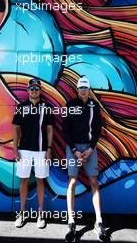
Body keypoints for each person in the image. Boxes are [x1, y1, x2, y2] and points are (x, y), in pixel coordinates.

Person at [63, 76, 106, 242]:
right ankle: (71, 221)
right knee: (72, 182)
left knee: (94, 181)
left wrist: (90, 149)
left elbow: (97, 129)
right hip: (73, 149)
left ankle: (99, 222)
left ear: (89, 90)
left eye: (85, 88)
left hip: (89, 148)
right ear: (77, 89)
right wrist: (74, 150)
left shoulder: (94, 105)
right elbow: (65, 129)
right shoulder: (70, 105)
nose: (83, 91)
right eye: (80, 88)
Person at [12, 78, 54, 229]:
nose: (34, 91)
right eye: (32, 89)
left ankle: (40, 214)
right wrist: (15, 149)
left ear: (40, 90)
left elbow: (49, 129)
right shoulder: (21, 107)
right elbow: (16, 129)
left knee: (40, 181)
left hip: (42, 151)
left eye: (37, 89)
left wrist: (49, 149)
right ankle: (22, 213)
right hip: (24, 150)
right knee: (23, 181)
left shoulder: (47, 107)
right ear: (28, 90)